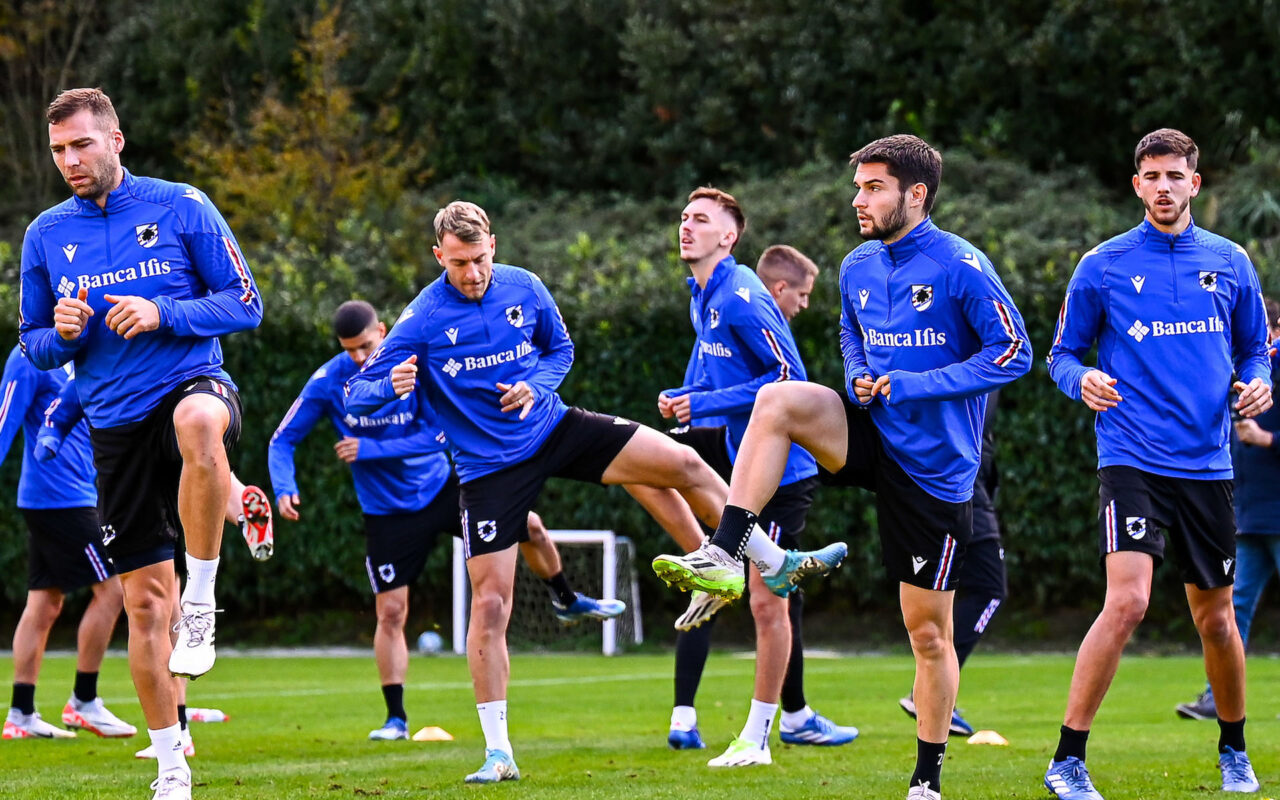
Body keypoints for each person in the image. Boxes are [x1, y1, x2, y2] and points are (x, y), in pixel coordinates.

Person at [344, 201, 842, 783]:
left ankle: (772, 560)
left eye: (480, 259)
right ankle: (499, 753)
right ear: (439, 257)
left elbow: (561, 349)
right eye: (459, 263)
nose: (473, 273)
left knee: (683, 463)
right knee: (491, 603)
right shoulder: (423, 316)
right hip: (488, 469)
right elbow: (357, 393)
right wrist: (388, 385)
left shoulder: (525, 287)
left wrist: (536, 385)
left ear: (494, 246)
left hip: (553, 428)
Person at [653, 134, 1031, 800]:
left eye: (873, 187)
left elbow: (1013, 352)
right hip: (871, 433)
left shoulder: (961, 264)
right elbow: (849, 332)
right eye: (858, 187)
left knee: (928, 635)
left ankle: (926, 779)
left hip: (934, 473)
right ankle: (727, 550)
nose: (859, 199)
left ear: (916, 194)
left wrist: (913, 385)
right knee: (778, 401)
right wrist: (857, 372)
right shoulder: (857, 265)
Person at [19, 88, 262, 800]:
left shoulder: (182, 205)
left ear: (116, 141)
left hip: (190, 386)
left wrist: (163, 312)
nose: (70, 160)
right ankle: (171, 768)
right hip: (113, 429)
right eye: (59, 150)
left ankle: (204, 599)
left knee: (199, 423)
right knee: (146, 608)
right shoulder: (45, 234)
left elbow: (246, 303)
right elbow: (32, 342)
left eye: (82, 144)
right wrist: (60, 335)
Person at [269, 300, 624, 741]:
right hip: (386, 511)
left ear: (383, 332)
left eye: (366, 346)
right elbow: (282, 440)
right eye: (350, 350)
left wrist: (373, 449)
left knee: (531, 527)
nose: (359, 357)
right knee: (391, 612)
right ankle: (395, 719)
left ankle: (566, 599)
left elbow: (440, 435)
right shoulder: (330, 381)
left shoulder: (414, 365)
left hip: (440, 489)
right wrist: (284, 487)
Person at [1044, 128, 1269, 799]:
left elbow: (1255, 350)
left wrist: (1260, 383)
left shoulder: (1230, 261)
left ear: (1194, 183)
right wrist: (1081, 380)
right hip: (1131, 456)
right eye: (1153, 176)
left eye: (1176, 176)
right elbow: (1061, 355)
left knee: (1217, 620)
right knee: (1128, 602)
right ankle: (1067, 760)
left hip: (1208, 464)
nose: (1164, 187)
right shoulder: (1103, 264)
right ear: (1137, 184)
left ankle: (1234, 749)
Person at [653, 217, 854, 760]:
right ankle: (731, 716)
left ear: (729, 237)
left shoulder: (739, 296)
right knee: (725, 583)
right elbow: (712, 382)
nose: (686, 227)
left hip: (784, 477)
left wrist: (702, 403)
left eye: (700, 219)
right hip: (745, 468)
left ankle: (763, 733)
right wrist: (687, 399)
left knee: (771, 603)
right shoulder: (709, 298)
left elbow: (787, 380)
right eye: (684, 218)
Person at [0, 346, 134, 740]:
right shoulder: (28, 357)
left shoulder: (83, 352)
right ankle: (83, 701)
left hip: (76, 496)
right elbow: (4, 422)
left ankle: (21, 714)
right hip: (58, 500)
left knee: (44, 603)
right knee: (113, 589)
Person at [1174, 297, 1280, 722]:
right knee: (1231, 611)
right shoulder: (1236, 377)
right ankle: (1215, 698)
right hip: (1251, 517)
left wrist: (1268, 440)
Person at [899, 390, 1008, 737]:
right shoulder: (976, 366)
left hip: (967, 485)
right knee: (989, 590)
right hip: (962, 488)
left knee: (964, 592)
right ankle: (927, 692)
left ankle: (929, 693)